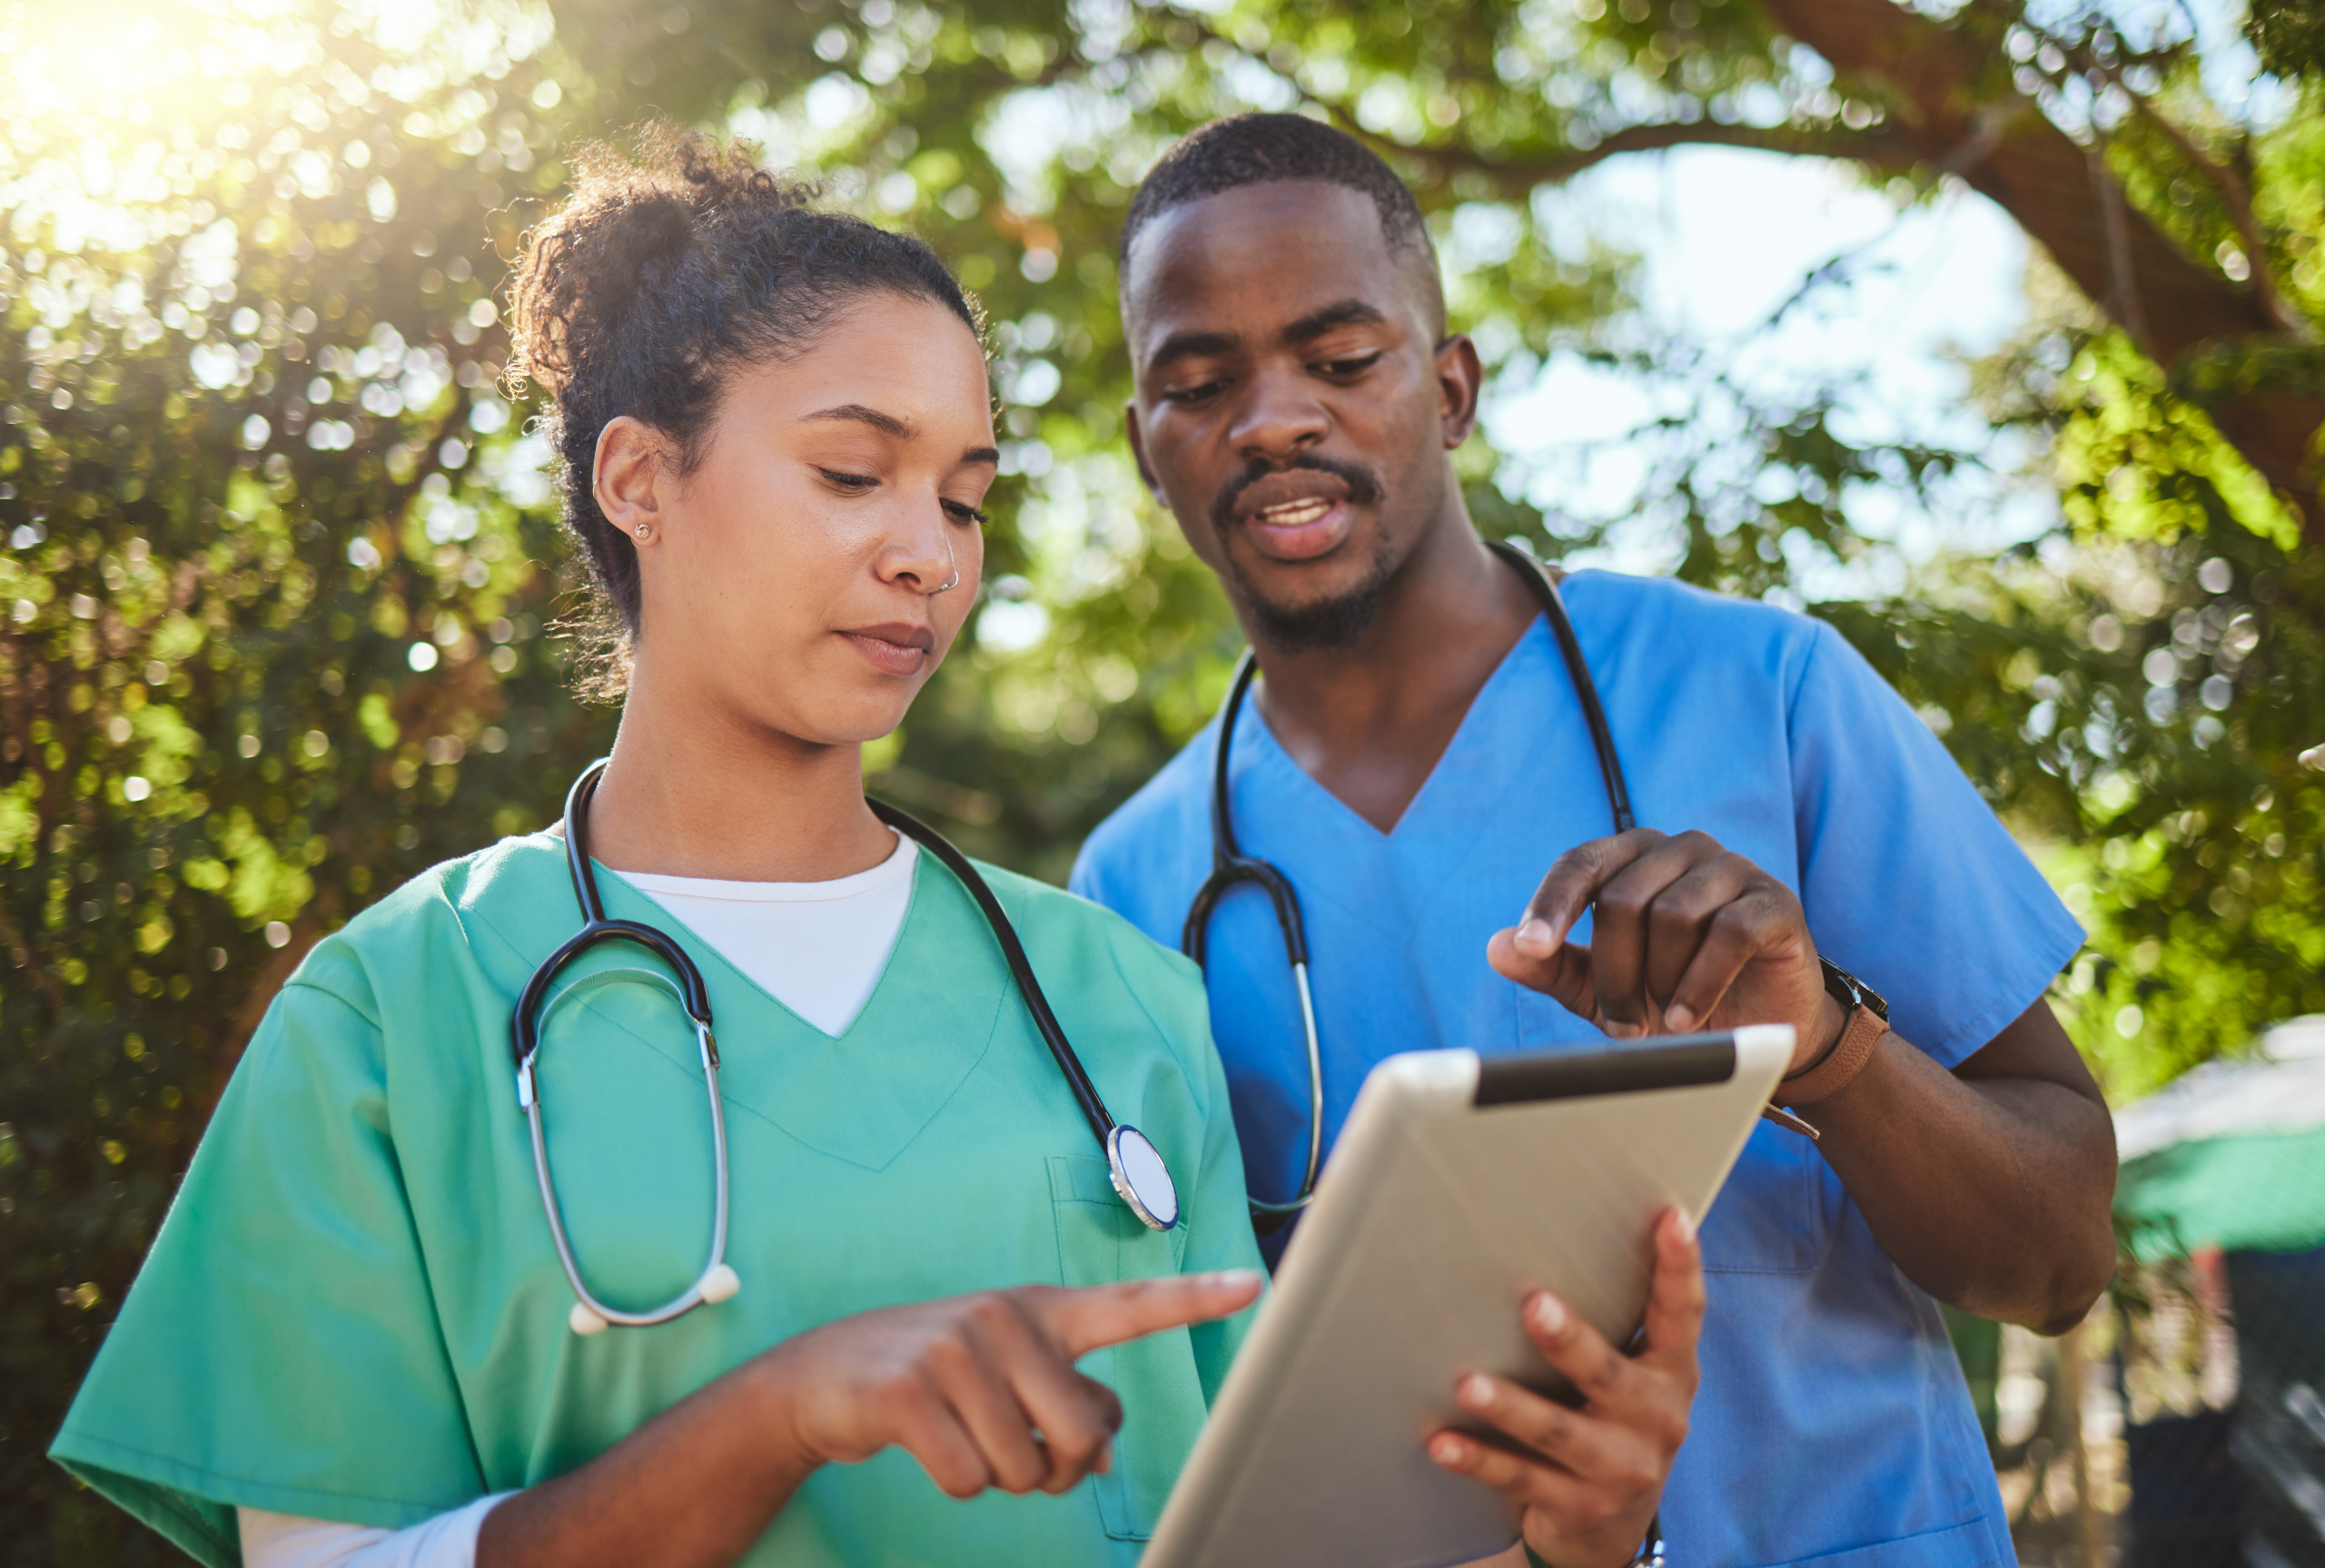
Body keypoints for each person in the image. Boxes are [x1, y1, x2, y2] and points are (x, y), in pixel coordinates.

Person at [49, 130, 1277, 1568]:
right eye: (851, 472)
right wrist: (777, 1417)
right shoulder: (389, 1017)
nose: (931, 556)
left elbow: (1275, 1517)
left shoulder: (1121, 998)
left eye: (963, 499)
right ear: (638, 479)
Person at [1072, 113, 2120, 1568]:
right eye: (1199, 384)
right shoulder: (1127, 893)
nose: (1271, 421)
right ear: (1145, 446)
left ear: (1452, 388)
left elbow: (2061, 1262)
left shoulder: (1765, 694)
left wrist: (1825, 1047)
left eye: (1342, 358)